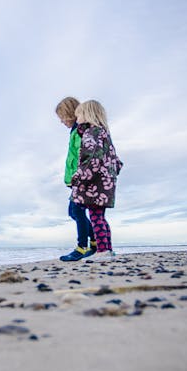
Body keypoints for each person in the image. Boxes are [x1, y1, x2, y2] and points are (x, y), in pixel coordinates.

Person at [71, 100, 123, 261]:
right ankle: (108, 250)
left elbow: (91, 159)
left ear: (86, 115)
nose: (76, 118)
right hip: (106, 182)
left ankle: (102, 251)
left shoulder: (91, 133)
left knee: (95, 216)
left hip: (95, 184)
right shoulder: (105, 134)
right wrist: (110, 174)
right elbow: (117, 162)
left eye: (78, 115)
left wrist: (78, 176)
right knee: (100, 216)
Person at [55, 96, 96, 261]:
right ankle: (94, 242)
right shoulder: (74, 131)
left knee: (77, 211)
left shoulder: (80, 129)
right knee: (74, 212)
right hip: (76, 179)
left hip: (81, 178)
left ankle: (82, 247)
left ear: (69, 113)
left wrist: (79, 175)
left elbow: (82, 153)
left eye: (62, 117)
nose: (61, 121)